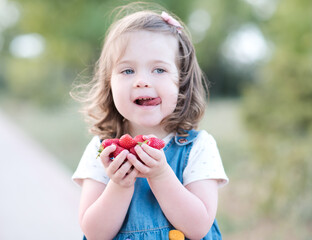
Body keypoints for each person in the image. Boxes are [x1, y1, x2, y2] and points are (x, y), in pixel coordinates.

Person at [72, 3, 228, 239]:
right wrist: (120, 185)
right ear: (109, 84)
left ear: (181, 82)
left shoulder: (199, 147)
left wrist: (161, 175)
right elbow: (94, 233)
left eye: (158, 70)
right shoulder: (100, 150)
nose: (142, 81)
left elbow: (198, 228)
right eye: (127, 71)